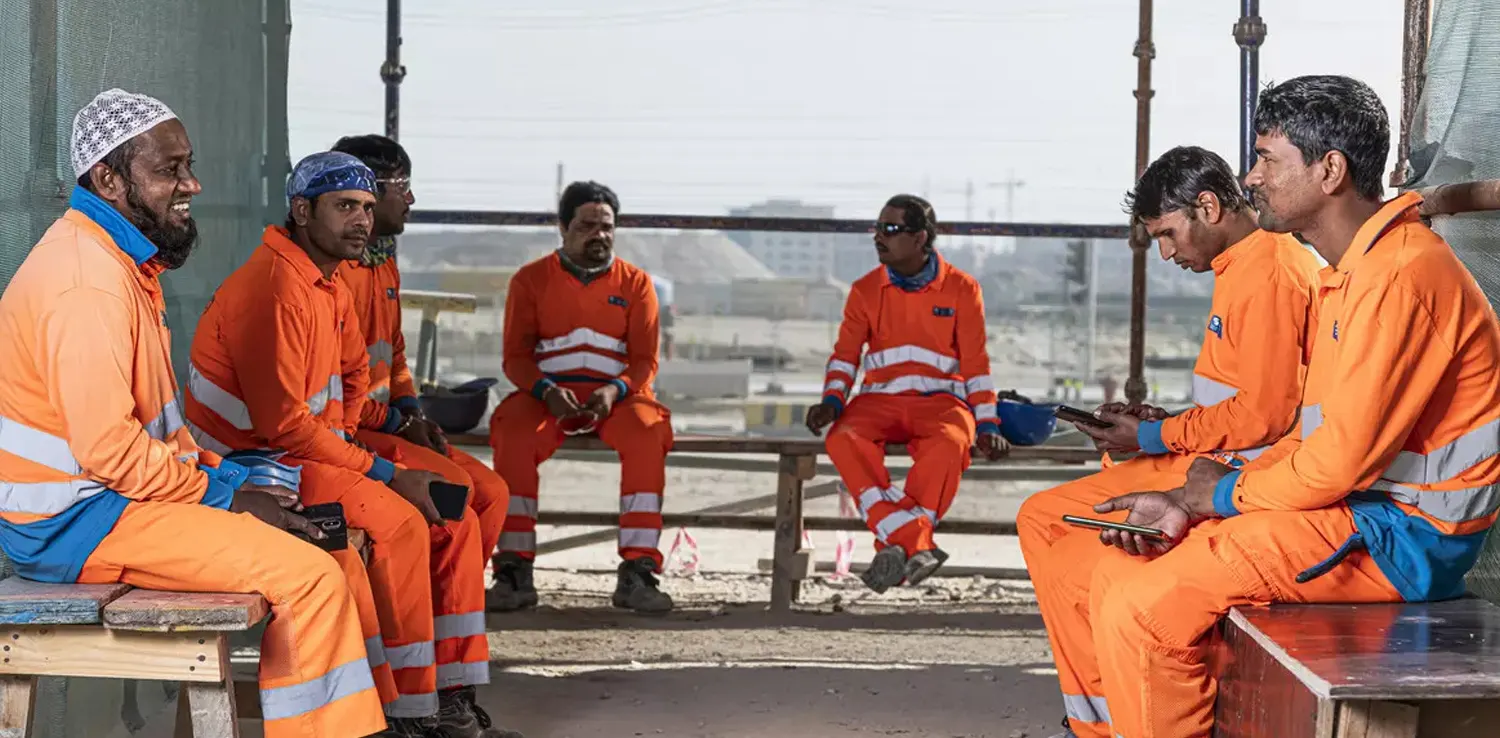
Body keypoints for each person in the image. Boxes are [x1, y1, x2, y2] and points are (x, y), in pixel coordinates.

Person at [1037, 75, 1500, 738]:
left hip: (1404, 536)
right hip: (1360, 509)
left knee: (1145, 607)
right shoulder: (1355, 273)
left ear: (1330, 170)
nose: (1251, 179)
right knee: (1120, 574)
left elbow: (1333, 464)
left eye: (1268, 160)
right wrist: (1187, 501)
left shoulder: (1401, 276)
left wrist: (1214, 497)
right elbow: (1312, 439)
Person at [0, 90, 385, 737]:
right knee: (313, 577)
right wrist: (227, 498)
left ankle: (365, 722)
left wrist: (233, 486)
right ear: (109, 179)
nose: (192, 183)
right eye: (170, 169)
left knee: (334, 550)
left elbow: (156, 437)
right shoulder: (85, 280)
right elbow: (111, 454)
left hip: (113, 504)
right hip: (71, 524)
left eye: (188, 164)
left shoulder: (121, 264)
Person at [185, 152, 515, 737]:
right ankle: (406, 714)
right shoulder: (272, 287)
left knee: (449, 506)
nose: (361, 220)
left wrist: (395, 425)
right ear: (301, 209)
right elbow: (286, 426)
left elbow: (349, 394)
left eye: (366, 207)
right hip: (247, 470)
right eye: (345, 207)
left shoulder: (326, 283)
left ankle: (435, 699)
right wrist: (386, 474)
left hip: (301, 453)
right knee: (400, 522)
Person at [1017, 145, 1322, 736]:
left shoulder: (1271, 271)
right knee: (1040, 518)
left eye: (1167, 234)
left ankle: (1112, 717)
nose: (1165, 252)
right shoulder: (1243, 267)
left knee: (1076, 551)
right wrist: (1155, 428)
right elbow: (1243, 401)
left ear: (1208, 207)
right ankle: (1099, 719)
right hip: (1213, 456)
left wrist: (1157, 433)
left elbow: (1261, 417)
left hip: (1239, 473)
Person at [328, 134, 514, 609]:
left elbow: (395, 353)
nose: (410, 199)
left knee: (492, 493)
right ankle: (419, 621)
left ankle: (443, 620)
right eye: (402, 185)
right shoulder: (332, 273)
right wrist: (398, 423)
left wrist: (410, 408)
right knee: (455, 494)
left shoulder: (383, 259)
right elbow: (333, 392)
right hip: (347, 433)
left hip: (385, 421)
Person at [488, 181, 675, 614]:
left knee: (649, 433)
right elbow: (515, 359)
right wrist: (547, 391)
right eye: (587, 225)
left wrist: (614, 390)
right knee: (511, 432)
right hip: (546, 395)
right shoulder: (530, 280)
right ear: (563, 228)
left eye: (607, 226)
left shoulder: (637, 283)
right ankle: (514, 571)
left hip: (618, 398)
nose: (600, 235)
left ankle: (638, 571)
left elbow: (646, 361)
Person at [805, 194, 1008, 592]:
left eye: (891, 229)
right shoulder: (865, 290)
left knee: (951, 445)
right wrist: (832, 401)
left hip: (942, 406)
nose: (879, 237)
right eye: (878, 228)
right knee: (843, 438)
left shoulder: (962, 289)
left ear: (920, 238)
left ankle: (897, 545)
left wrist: (987, 423)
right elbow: (845, 356)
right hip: (877, 403)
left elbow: (976, 366)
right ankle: (915, 542)